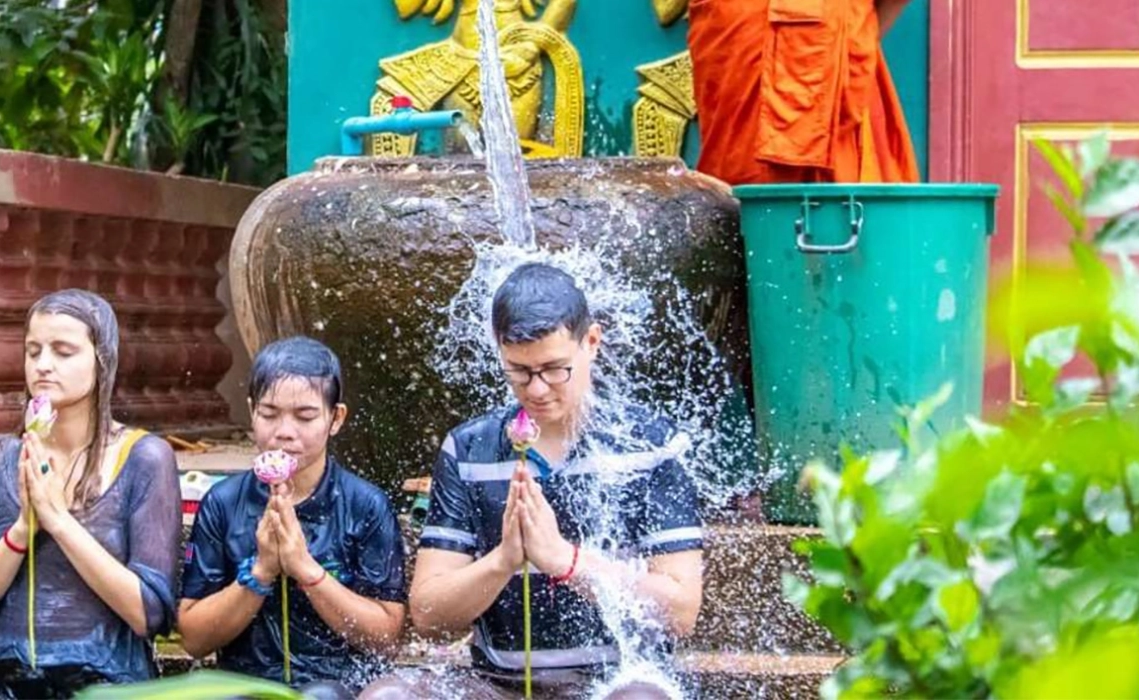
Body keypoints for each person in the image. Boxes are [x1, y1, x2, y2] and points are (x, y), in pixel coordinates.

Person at [361, 263, 706, 700]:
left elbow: (680, 610)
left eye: (554, 369)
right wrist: (503, 560)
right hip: (496, 684)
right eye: (519, 372)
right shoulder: (469, 449)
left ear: (592, 343)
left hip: (619, 681)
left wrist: (565, 560)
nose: (537, 389)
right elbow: (429, 615)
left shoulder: (652, 445)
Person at [0, 289, 182, 698]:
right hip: (7, 683)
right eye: (33, 350)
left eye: (63, 351)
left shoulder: (144, 458)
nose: (43, 365)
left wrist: (58, 521)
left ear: (103, 359)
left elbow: (149, 613)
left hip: (107, 684)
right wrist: (22, 530)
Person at [178, 337, 407, 698]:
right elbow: (193, 638)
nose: (284, 431)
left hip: (338, 683)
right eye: (269, 414)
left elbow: (386, 636)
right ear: (252, 411)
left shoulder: (365, 505)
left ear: (336, 418)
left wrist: (305, 568)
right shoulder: (223, 503)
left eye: (305, 416)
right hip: (244, 681)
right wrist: (261, 572)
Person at [688, 0, 920, 185]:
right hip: (733, 36)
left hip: (825, 38)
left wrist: (848, 38)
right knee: (732, 167)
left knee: (832, 200)